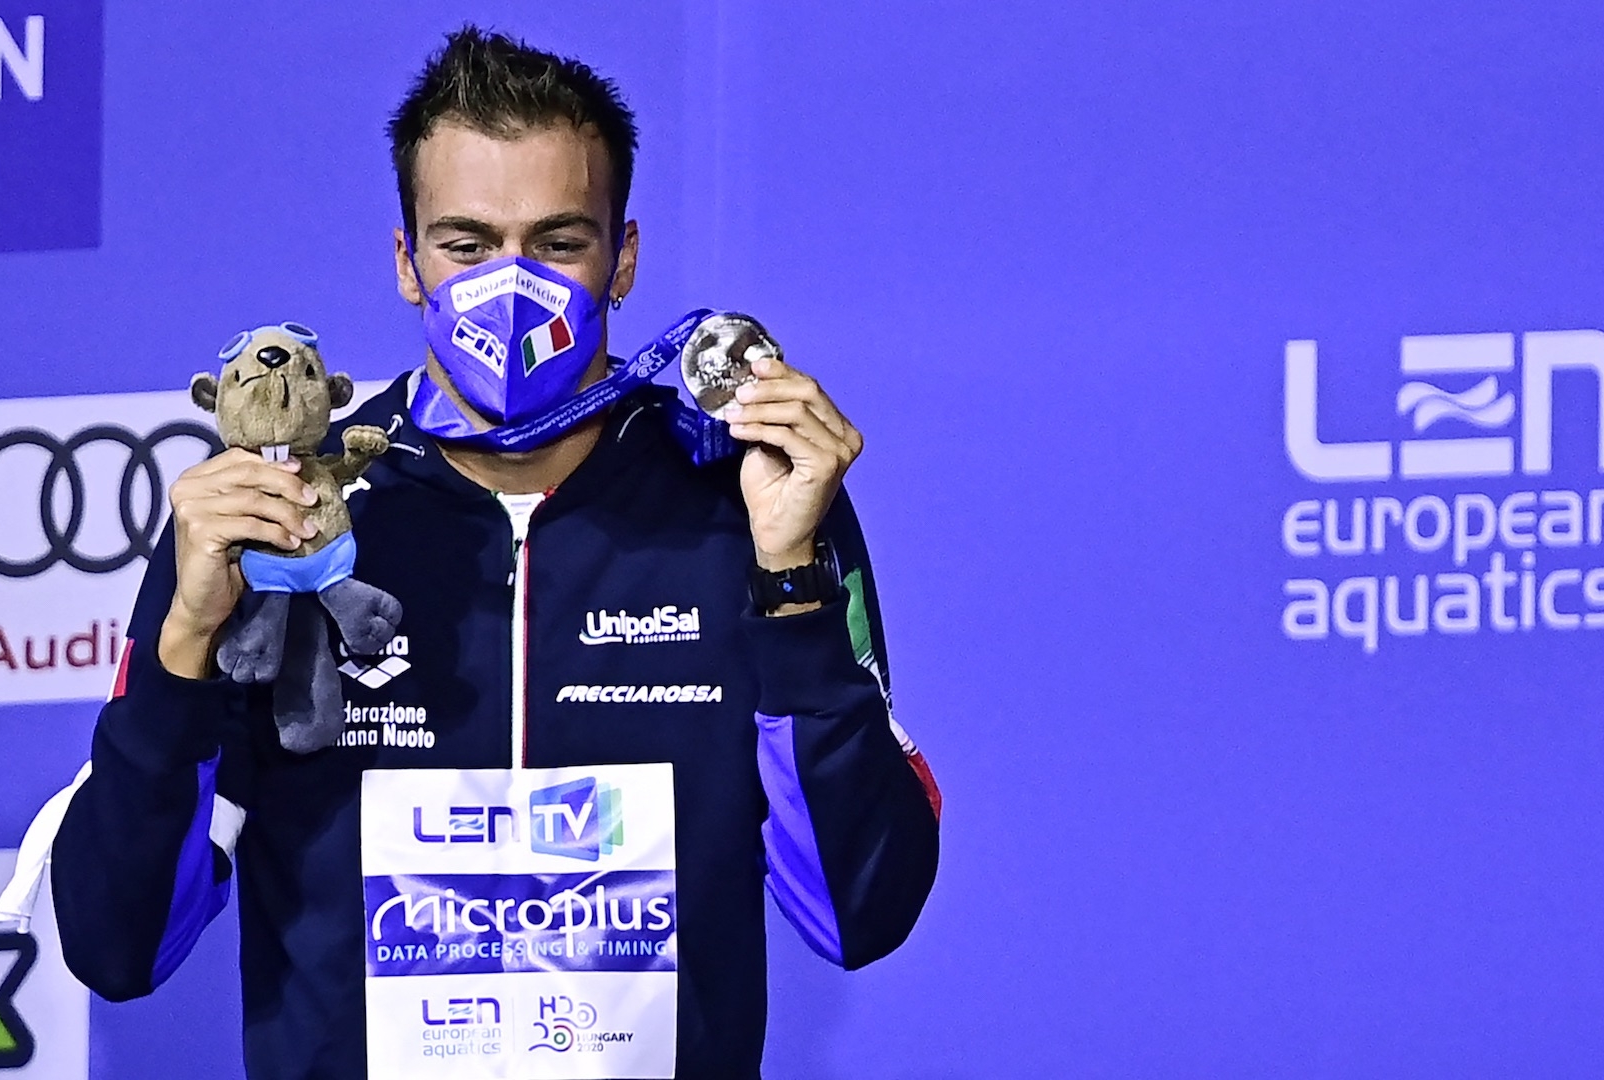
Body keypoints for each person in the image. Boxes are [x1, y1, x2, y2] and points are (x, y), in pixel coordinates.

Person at [45, 25, 940, 1080]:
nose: (509, 289)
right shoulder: (285, 514)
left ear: (624, 258)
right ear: (407, 262)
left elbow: (860, 910)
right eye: (467, 246)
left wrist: (789, 583)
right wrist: (185, 645)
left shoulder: (747, 499)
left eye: (557, 243)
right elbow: (116, 942)